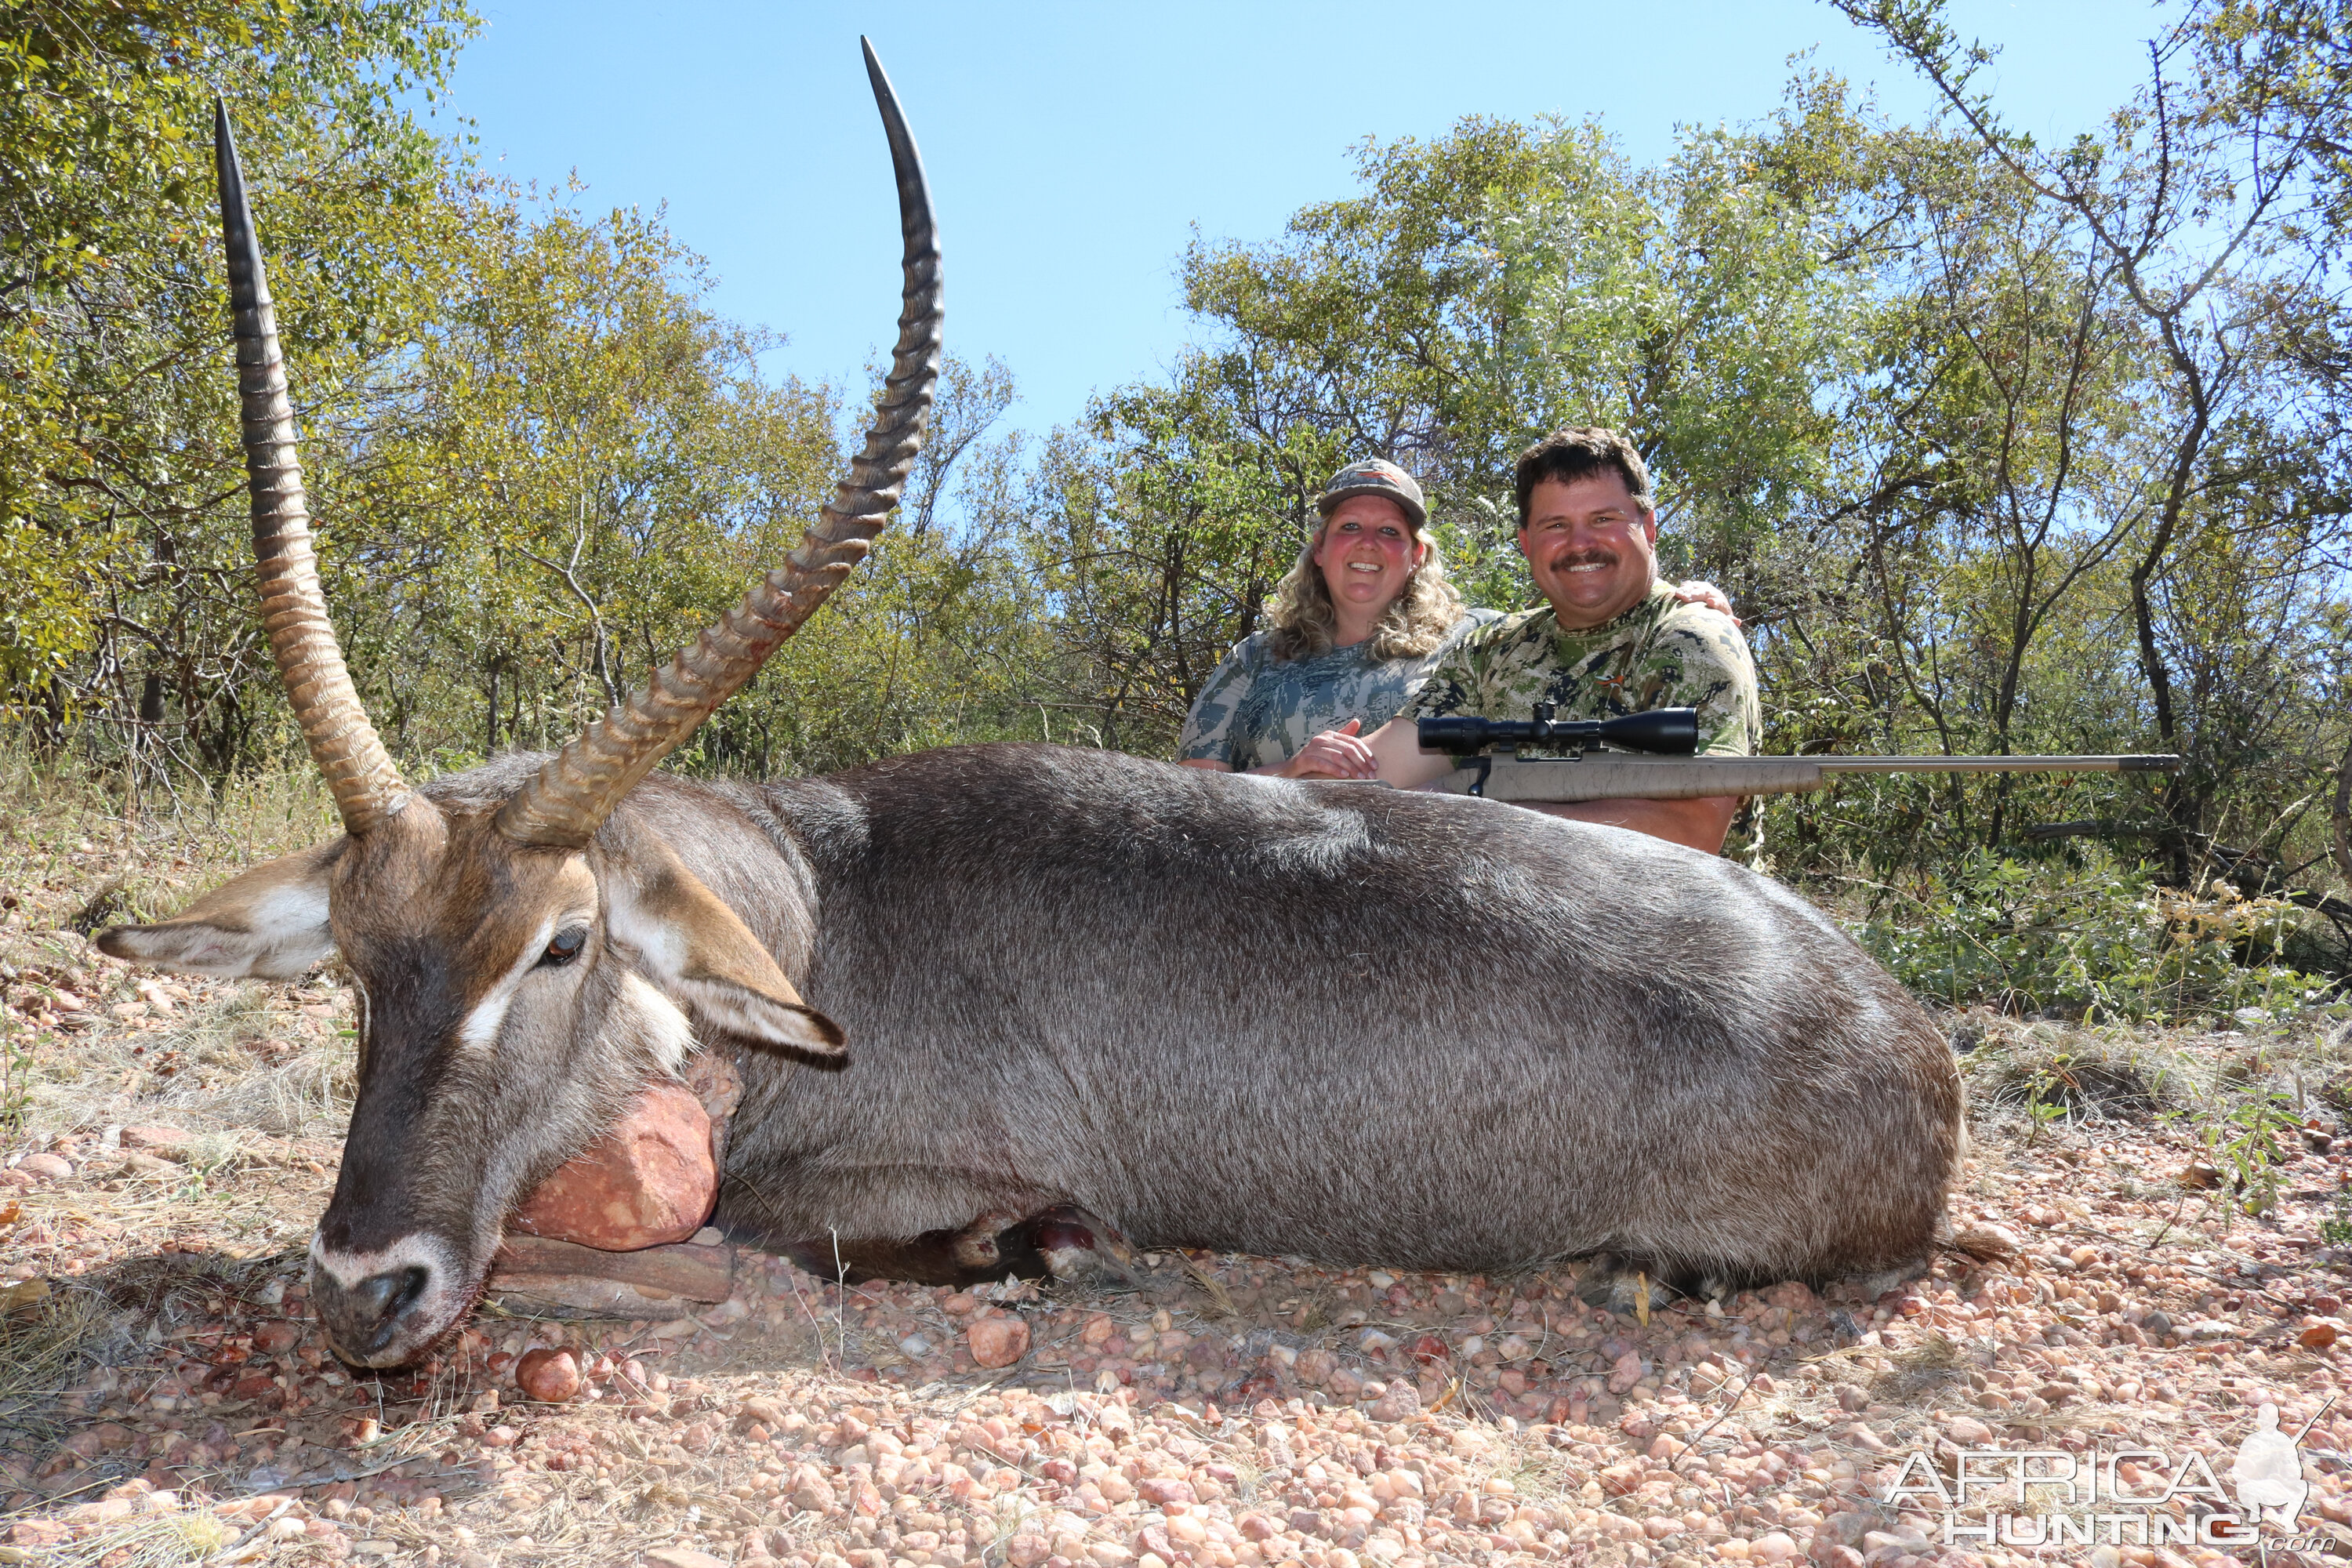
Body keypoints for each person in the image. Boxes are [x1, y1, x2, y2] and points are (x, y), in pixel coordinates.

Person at [1301, 427, 1760, 855]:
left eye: (1603, 518)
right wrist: (1277, 785)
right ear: (1526, 542)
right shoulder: (1490, 650)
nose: (1580, 543)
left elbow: (1691, 831)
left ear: (1650, 528)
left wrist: (1469, 820)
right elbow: (1373, 775)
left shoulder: (1691, 640)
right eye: (1555, 525)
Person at [1176, 459, 1490, 778]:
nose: (1368, 542)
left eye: (1389, 530)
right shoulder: (1252, 658)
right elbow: (1197, 789)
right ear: (1320, 549)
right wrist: (1290, 771)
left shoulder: (1470, 639)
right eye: (1350, 526)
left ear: (1416, 557)